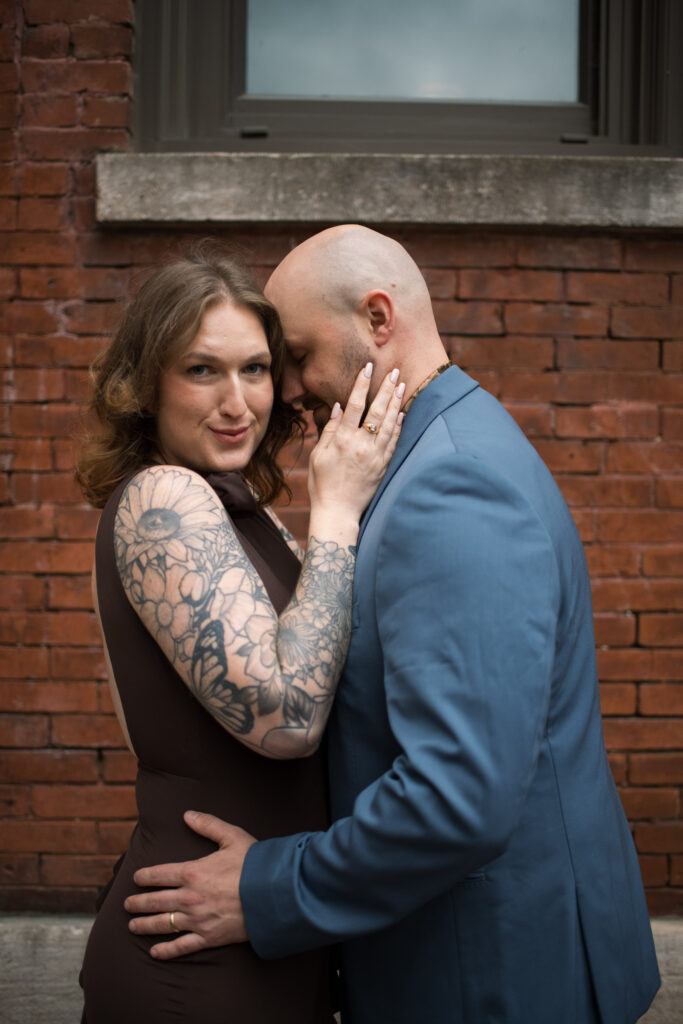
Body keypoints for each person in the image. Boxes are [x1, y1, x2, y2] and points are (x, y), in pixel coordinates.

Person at [125, 226, 660, 1024]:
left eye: (295, 355)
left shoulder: (450, 486)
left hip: (489, 974)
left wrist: (273, 888)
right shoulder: (432, 453)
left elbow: (458, 796)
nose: (290, 389)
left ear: (378, 319)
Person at [74, 242, 403, 1023]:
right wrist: (334, 512)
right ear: (145, 384)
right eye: (201, 370)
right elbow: (286, 721)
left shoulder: (238, 515)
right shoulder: (165, 498)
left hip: (259, 929)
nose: (237, 402)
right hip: (194, 958)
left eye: (255, 369)